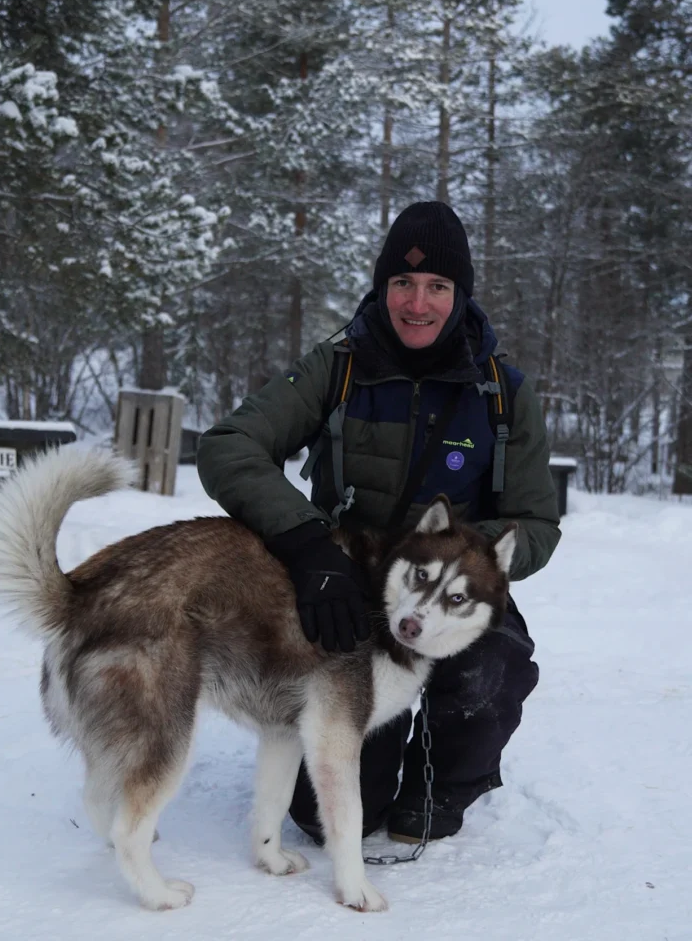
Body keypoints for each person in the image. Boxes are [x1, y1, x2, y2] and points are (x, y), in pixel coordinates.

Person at [196, 201, 560, 844]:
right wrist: (308, 546)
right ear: (382, 286)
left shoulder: (502, 391)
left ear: (460, 294)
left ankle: (441, 788)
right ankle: (365, 767)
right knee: (332, 816)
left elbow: (536, 520)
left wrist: (477, 562)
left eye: (437, 287)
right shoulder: (338, 366)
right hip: (347, 584)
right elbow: (229, 445)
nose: (417, 303)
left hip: (453, 588)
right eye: (402, 283)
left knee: (492, 669)